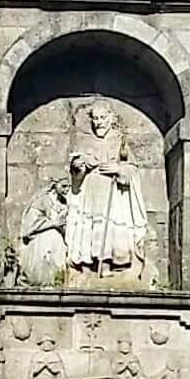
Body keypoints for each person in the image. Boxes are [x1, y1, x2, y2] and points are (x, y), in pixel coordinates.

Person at [64, 101, 148, 279]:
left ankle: (107, 265)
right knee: (88, 226)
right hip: (90, 190)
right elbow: (76, 177)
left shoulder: (120, 142)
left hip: (112, 192)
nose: (98, 122)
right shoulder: (85, 142)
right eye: (95, 118)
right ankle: (86, 266)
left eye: (102, 118)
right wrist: (78, 167)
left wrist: (118, 169)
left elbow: (132, 170)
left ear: (111, 118)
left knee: (109, 227)